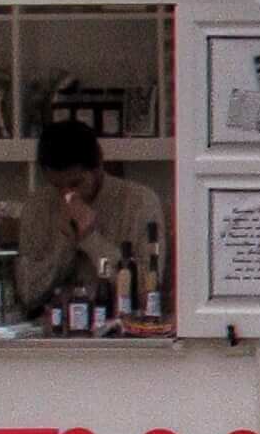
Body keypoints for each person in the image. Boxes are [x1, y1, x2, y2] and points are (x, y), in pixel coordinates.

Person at [16, 119, 168, 322]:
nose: (67, 195)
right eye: (57, 186)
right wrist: (65, 244)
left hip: (122, 333)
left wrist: (91, 240)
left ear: (98, 166)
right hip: (55, 334)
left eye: (76, 183)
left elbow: (147, 294)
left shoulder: (140, 203)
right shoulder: (37, 207)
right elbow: (28, 294)